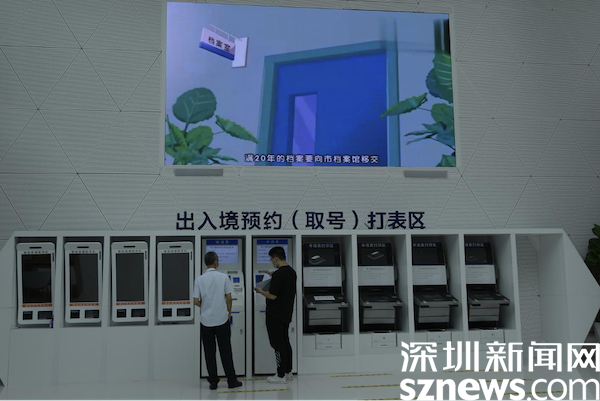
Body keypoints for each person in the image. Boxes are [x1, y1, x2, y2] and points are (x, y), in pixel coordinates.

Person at [193, 251, 242, 390]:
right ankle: (231, 380)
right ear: (216, 262)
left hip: (206, 321)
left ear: (205, 263)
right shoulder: (224, 277)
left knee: (209, 352)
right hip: (222, 319)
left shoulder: (199, 279)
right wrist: (228, 313)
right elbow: (229, 298)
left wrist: (206, 307)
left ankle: (213, 382)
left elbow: (196, 301)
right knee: (225, 350)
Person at [255, 246, 297, 384]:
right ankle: (288, 372)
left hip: (275, 315)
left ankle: (280, 375)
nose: (272, 261)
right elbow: (284, 285)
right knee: (285, 342)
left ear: (276, 258)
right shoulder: (291, 272)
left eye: (272, 259)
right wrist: (274, 275)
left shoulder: (279, 274)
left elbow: (272, 295)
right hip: (286, 313)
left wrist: (260, 290)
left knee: (277, 345)